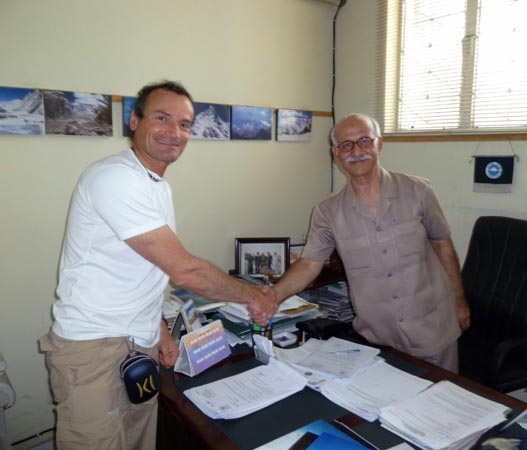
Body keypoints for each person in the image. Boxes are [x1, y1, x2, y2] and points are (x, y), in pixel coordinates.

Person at [39, 80, 277, 450]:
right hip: (95, 346)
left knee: (140, 440)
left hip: (139, 341)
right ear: (135, 121)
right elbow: (184, 270)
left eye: (184, 124)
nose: (174, 132)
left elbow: (147, 270)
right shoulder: (115, 177)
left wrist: (160, 331)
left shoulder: (156, 185)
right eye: (162, 118)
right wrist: (253, 296)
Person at [273, 113, 470, 372]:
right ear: (336, 153)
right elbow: (309, 264)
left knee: (440, 395)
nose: (357, 151)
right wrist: (271, 297)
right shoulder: (328, 211)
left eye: (364, 141)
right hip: (379, 340)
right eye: (347, 145)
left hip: (433, 330)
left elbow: (443, 245)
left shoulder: (418, 191)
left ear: (379, 144)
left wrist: (460, 301)